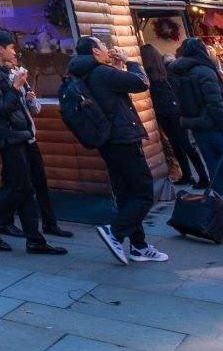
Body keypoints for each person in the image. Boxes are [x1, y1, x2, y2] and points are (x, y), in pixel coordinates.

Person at [67, 36, 166, 265]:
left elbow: (113, 96)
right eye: (102, 46)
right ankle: (115, 232)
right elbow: (141, 82)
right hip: (123, 138)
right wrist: (130, 62)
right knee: (143, 192)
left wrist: (118, 70)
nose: (106, 49)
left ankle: (138, 246)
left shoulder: (84, 73)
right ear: (94, 51)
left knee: (125, 193)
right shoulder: (101, 72)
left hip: (107, 141)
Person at [0, 31, 68, 255]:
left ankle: (34, 239)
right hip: (8, 136)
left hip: (22, 134)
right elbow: (1, 108)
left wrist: (26, 93)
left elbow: (15, 104)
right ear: (1, 49)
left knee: (24, 187)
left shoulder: (4, 71)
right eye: (11, 47)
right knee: (20, 187)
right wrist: (15, 87)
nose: (15, 51)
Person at [167, 38, 223, 232]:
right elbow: (216, 104)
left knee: (216, 173)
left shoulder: (177, 73)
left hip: (198, 130)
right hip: (218, 128)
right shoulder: (204, 71)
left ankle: (215, 212)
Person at [140, 42, 209, 190]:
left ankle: (199, 176)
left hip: (167, 111)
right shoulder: (166, 70)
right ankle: (191, 175)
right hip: (173, 110)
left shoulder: (159, 72)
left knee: (181, 144)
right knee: (180, 144)